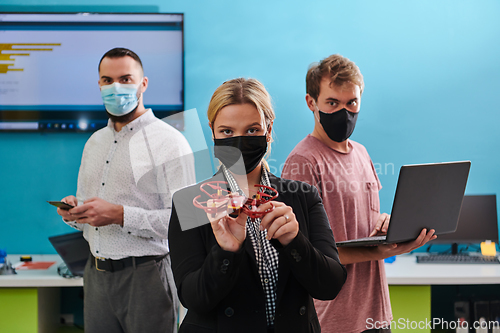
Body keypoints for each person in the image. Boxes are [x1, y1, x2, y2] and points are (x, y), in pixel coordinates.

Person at [168, 78, 347, 333]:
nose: (239, 142)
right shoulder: (192, 203)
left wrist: (294, 241)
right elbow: (194, 299)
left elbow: (330, 285)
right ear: (213, 132)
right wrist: (226, 252)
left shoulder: (302, 197)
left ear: (269, 129)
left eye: (252, 130)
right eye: (227, 132)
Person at [281, 54, 437, 333]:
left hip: (376, 314)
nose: (344, 112)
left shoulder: (362, 153)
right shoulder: (302, 162)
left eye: (351, 102)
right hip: (333, 321)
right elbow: (304, 256)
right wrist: (379, 250)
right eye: (332, 103)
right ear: (311, 102)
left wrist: (386, 226)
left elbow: (360, 222)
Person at [57, 47, 195, 333]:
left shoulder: (171, 141)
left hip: (146, 277)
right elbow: (91, 214)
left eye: (125, 78)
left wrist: (120, 215)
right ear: (99, 84)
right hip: (95, 277)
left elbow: (186, 221)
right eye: (107, 80)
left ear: (143, 84)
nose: (115, 87)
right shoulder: (94, 142)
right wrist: (74, 212)